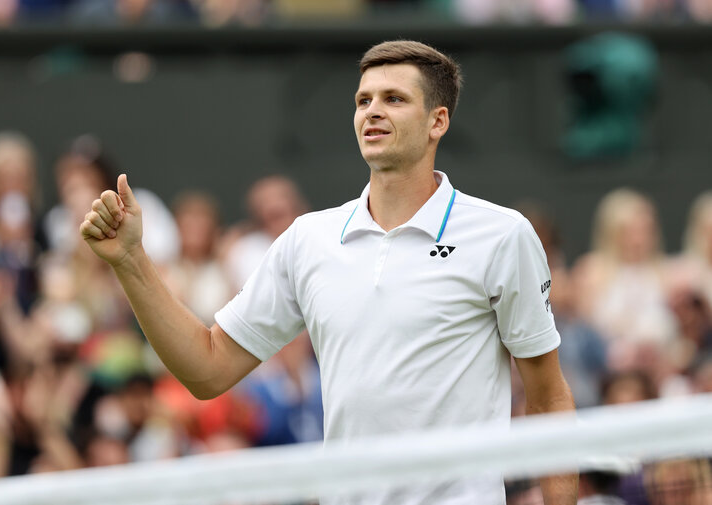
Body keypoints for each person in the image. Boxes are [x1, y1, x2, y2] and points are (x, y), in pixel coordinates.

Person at [80, 40, 577, 505]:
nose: (372, 111)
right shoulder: (307, 240)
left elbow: (548, 395)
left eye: (394, 99)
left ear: (437, 121)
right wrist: (130, 261)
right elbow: (207, 369)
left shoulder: (502, 235)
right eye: (363, 101)